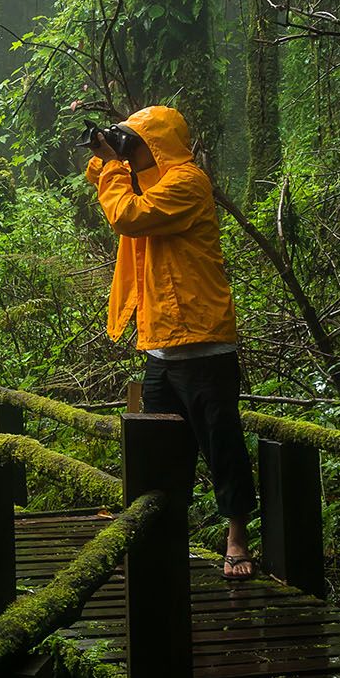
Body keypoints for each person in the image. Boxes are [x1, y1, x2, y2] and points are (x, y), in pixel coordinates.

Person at [85, 105, 256, 580]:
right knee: (158, 454)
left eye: (135, 142)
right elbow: (117, 193)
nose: (129, 151)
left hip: (203, 344)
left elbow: (126, 215)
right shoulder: (152, 181)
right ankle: (159, 540)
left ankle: (236, 538)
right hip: (160, 346)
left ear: (157, 145)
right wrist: (109, 157)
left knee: (222, 446)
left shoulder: (187, 183)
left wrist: (115, 166)